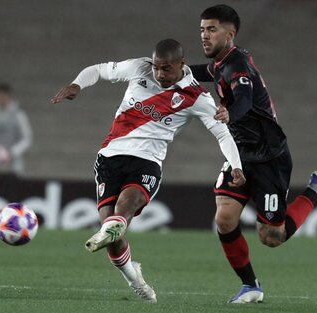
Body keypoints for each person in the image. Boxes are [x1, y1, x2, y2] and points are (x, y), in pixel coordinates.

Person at [51, 39, 246, 303]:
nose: (159, 74)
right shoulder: (139, 68)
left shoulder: (197, 97)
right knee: (113, 234)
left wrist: (236, 166)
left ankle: (111, 229)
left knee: (125, 206)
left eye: (166, 69)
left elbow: (222, 134)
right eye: (156, 67)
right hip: (110, 158)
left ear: (181, 65)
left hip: (147, 162)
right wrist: (77, 83)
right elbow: (98, 70)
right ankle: (134, 277)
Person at [189, 5, 317, 304]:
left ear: (229, 33)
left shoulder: (238, 68)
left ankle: (315, 189)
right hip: (241, 155)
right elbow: (199, 72)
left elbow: (244, 99)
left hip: (269, 157)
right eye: (202, 29)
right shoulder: (220, 63)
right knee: (224, 219)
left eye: (211, 29)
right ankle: (251, 286)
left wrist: (229, 114)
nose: (204, 36)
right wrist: (167, 66)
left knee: (271, 236)